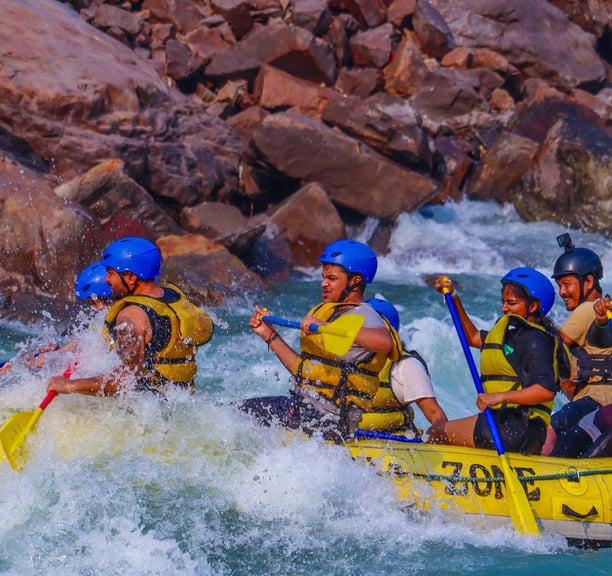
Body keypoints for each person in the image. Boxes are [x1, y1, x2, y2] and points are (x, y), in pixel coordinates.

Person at [243, 239, 402, 441]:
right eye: (324, 277)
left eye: (332, 278)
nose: (323, 283)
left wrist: (327, 328)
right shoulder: (331, 312)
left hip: (328, 422)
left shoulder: (365, 314)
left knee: (235, 419)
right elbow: (302, 370)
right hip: (303, 410)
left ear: (355, 281)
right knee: (230, 414)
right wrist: (268, 334)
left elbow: (383, 342)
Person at [47, 237, 214, 397]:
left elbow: (123, 380)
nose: (106, 279)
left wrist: (69, 386)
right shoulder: (173, 294)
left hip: (151, 409)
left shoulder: (131, 316)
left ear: (131, 278)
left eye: (111, 273)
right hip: (182, 400)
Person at [428, 267, 569, 455]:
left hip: (513, 427)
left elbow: (544, 391)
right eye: (503, 302)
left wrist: (498, 397)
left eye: (511, 303)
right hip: (509, 425)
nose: (504, 308)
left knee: (436, 433)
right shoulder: (514, 336)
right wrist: (453, 297)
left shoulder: (535, 339)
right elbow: (472, 337)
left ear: (533, 306)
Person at [542, 234, 612, 455]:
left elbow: (547, 347)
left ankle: (536, 482)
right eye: (559, 285)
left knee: (548, 431)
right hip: (602, 406)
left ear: (589, 281)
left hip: (595, 400)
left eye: (567, 284)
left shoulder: (587, 309)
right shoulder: (606, 311)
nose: (562, 292)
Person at [360, 297, 448, 433]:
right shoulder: (344, 359)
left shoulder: (406, 365)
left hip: (393, 444)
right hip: (347, 441)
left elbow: (434, 413)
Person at [26, 262, 113, 370]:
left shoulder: (116, 319)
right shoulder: (101, 318)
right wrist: (56, 353)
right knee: (36, 361)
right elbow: (80, 344)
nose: (90, 303)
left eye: (92, 299)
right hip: (93, 368)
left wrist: (54, 357)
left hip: (99, 373)